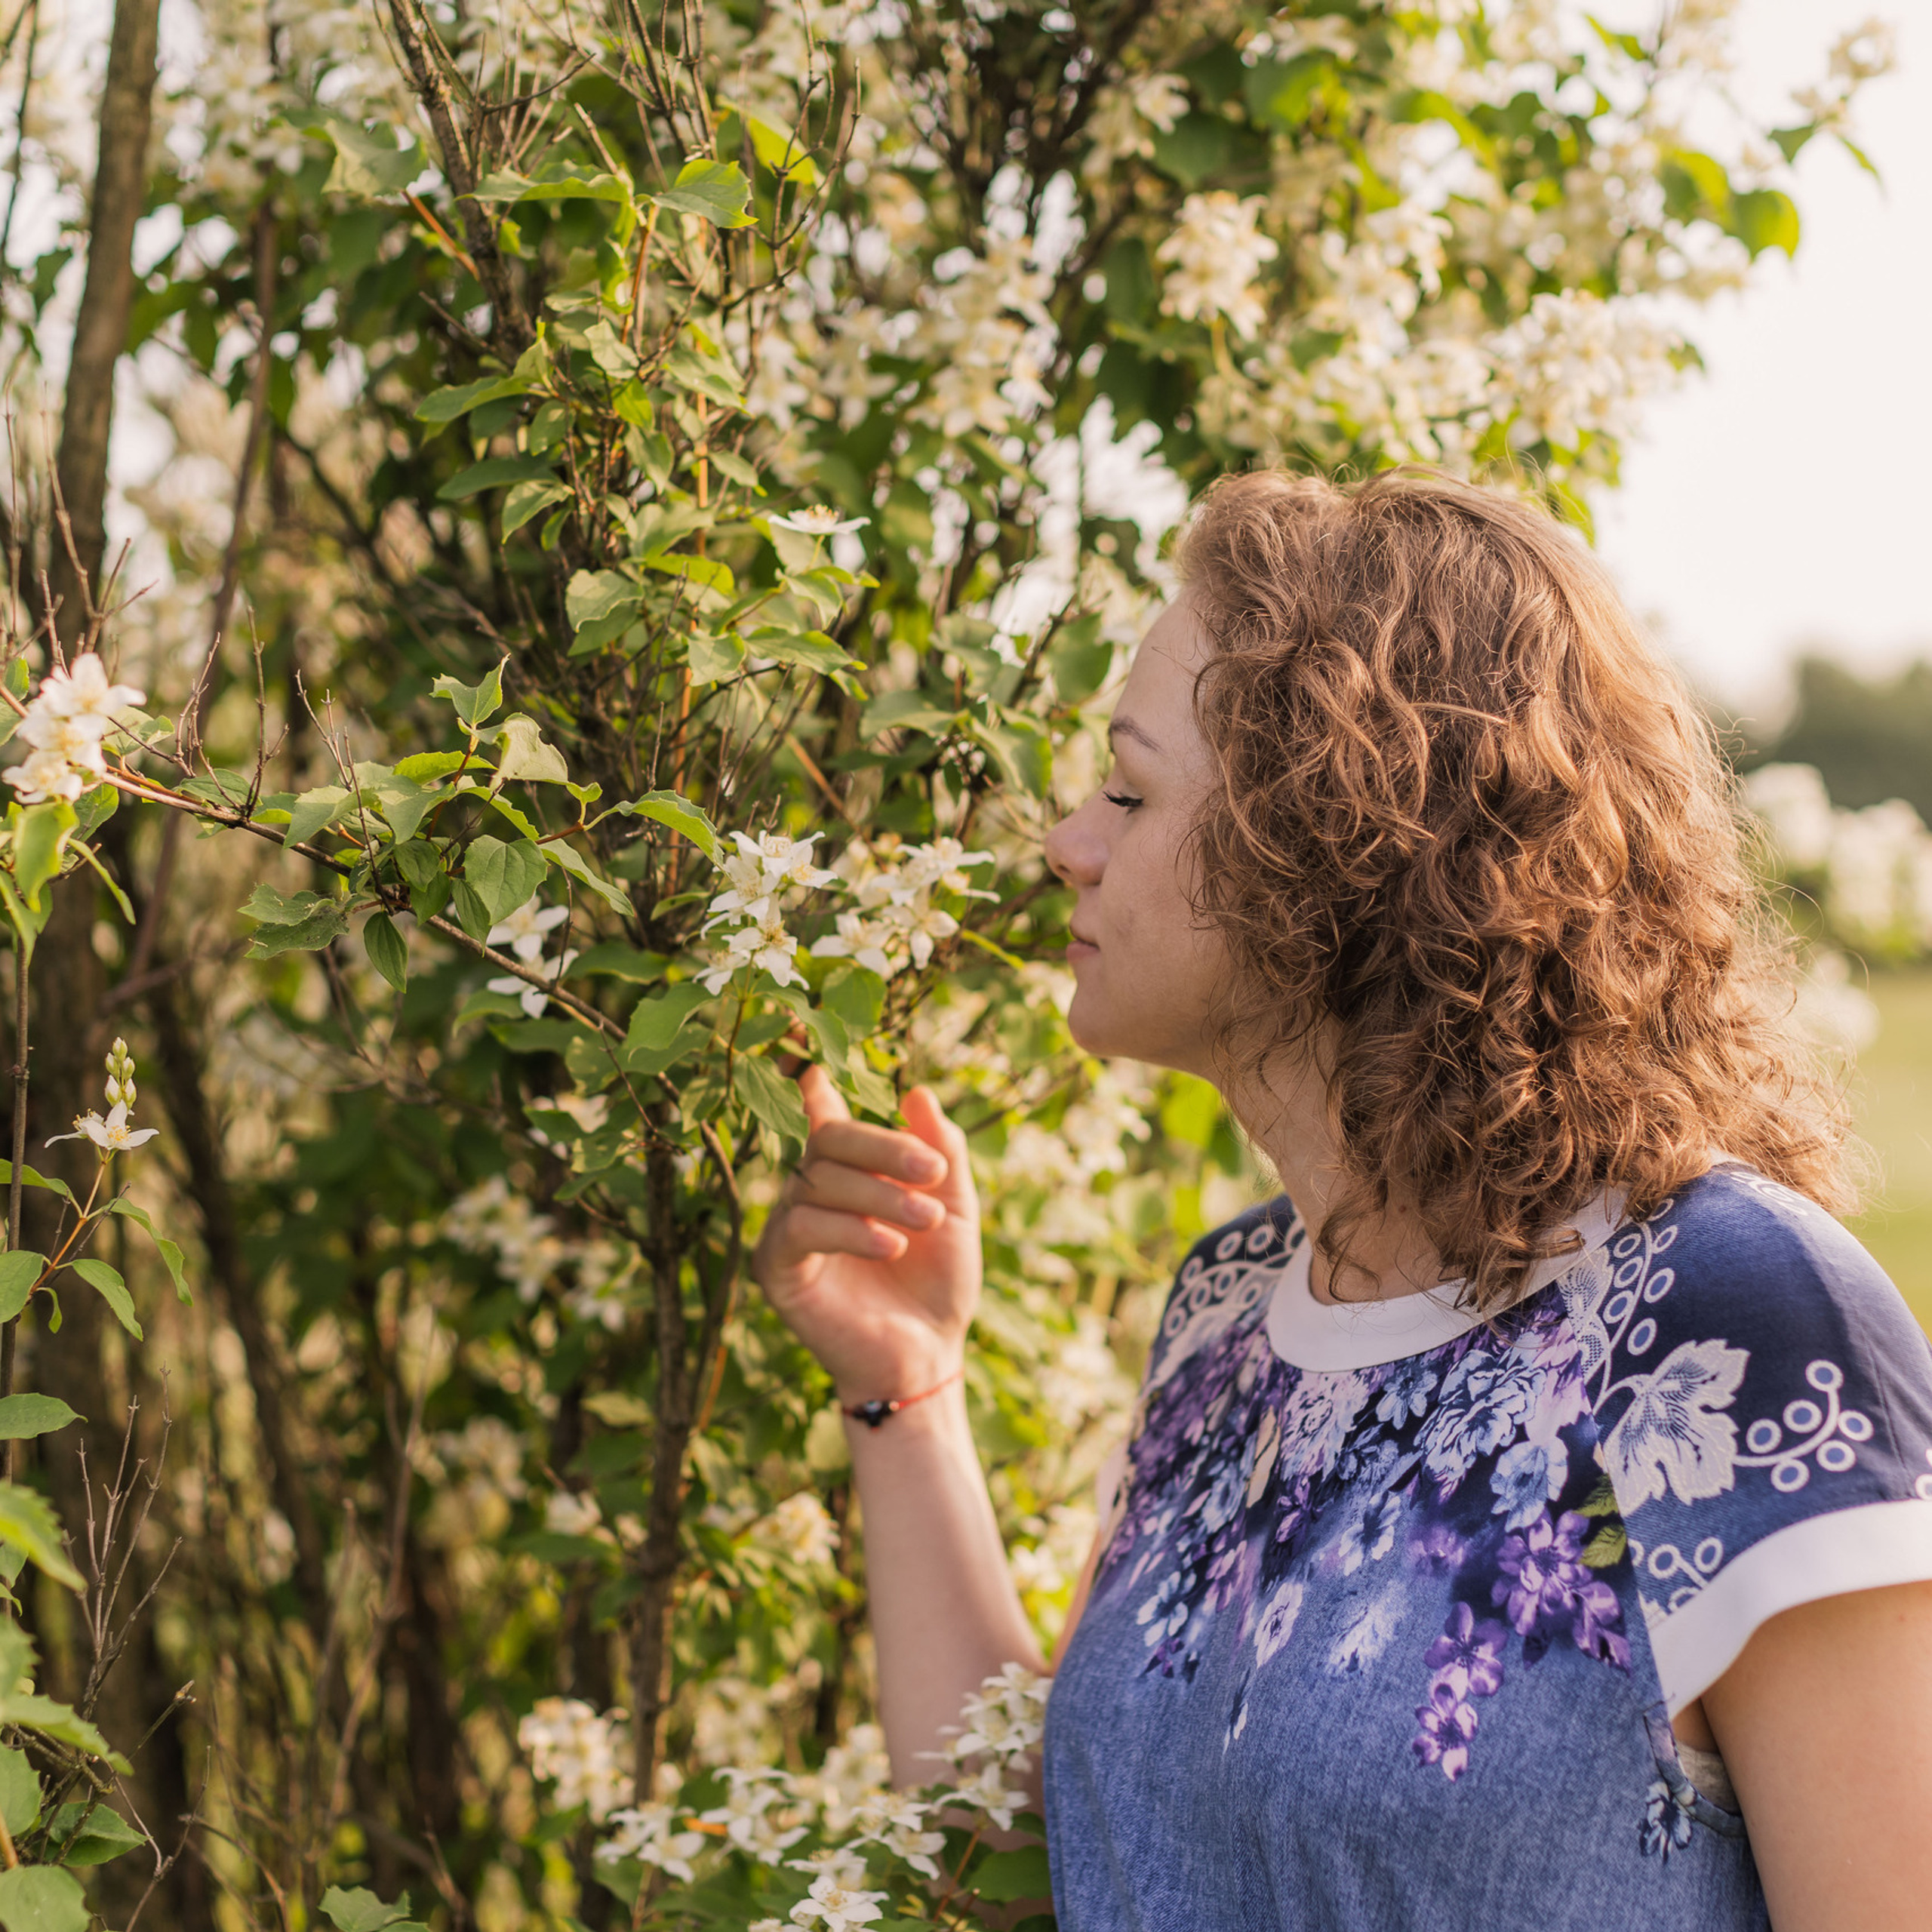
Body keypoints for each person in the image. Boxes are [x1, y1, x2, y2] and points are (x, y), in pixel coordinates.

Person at [752, 469, 1932, 1932]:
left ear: (1339, 836)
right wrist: (906, 1390)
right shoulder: (1229, 1313)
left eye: (1128, 788)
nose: (1067, 840)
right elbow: (1059, 1856)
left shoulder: (1725, 1319)